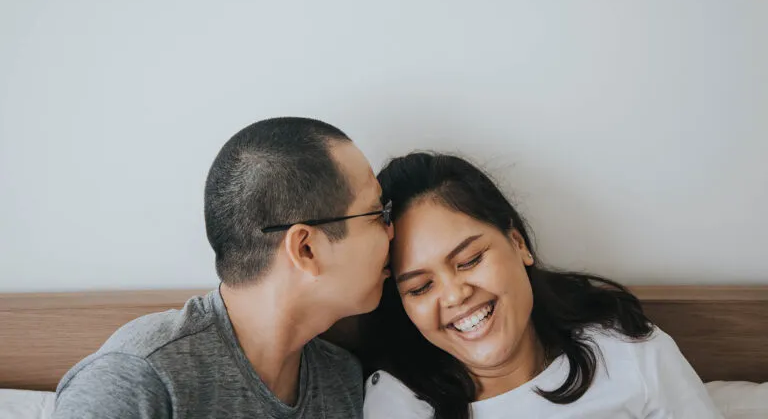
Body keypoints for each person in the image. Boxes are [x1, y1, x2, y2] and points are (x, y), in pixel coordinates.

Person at [54, 117, 394, 418]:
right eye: (378, 213)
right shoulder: (138, 378)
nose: (392, 231)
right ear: (305, 249)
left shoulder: (341, 381)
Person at [361, 152, 722, 419]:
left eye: (470, 260)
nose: (455, 295)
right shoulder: (398, 402)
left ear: (518, 243)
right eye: (421, 287)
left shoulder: (630, 354)